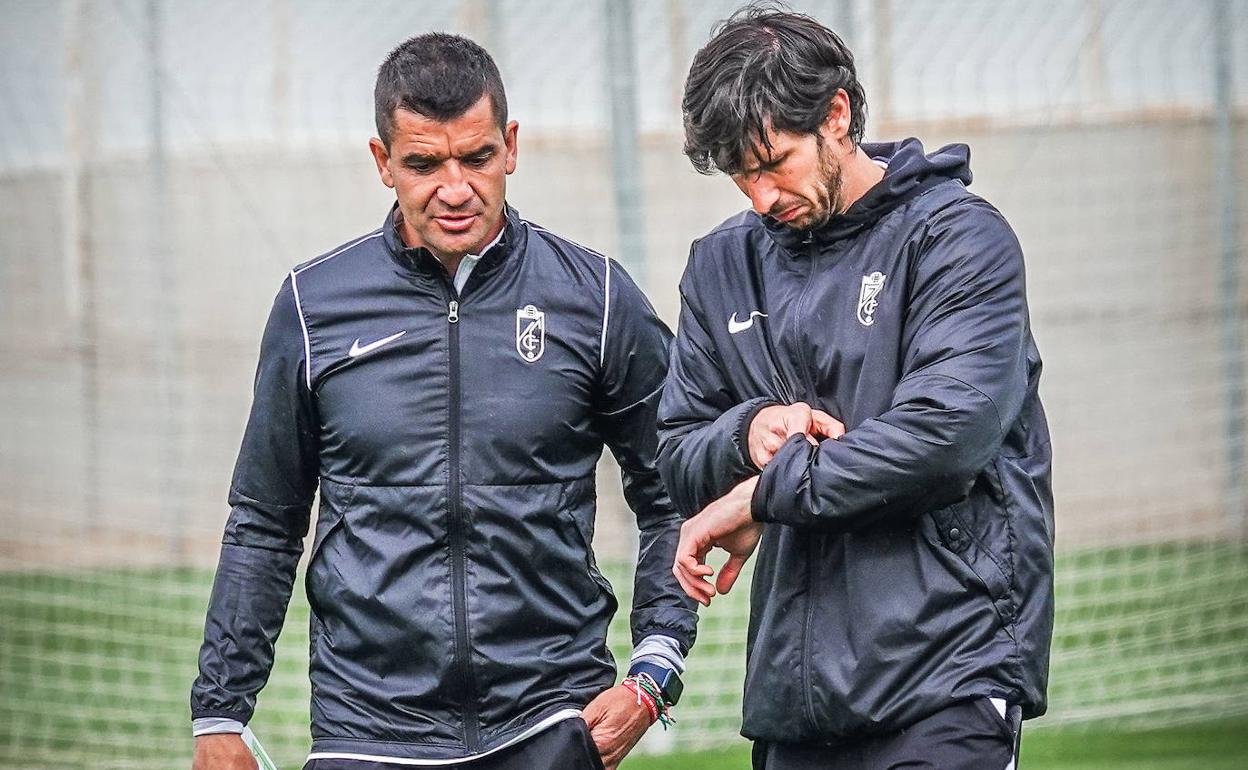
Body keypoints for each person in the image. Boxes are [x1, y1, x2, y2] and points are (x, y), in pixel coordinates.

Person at [190, 33, 695, 770]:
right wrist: (220, 711)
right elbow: (265, 522)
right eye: (424, 163)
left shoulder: (599, 298)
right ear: (382, 162)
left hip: (550, 719)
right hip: (367, 729)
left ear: (511, 146)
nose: (455, 188)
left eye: (477, 158)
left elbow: (676, 487)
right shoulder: (313, 304)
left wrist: (654, 668)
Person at [658, 7, 1054, 770]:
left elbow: (945, 438)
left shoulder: (959, 240)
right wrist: (748, 434)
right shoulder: (720, 266)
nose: (760, 196)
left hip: (949, 678)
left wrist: (762, 493)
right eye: (740, 175)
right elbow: (676, 454)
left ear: (836, 115)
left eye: (773, 162)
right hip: (793, 699)